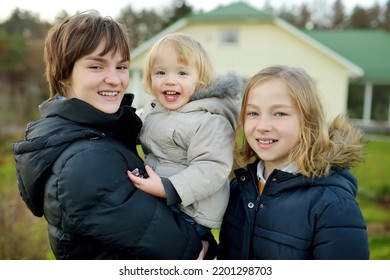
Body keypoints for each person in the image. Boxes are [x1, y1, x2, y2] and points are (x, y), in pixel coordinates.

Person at [11, 11, 203, 260]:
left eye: (121, 66)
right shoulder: (84, 160)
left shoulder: (99, 133)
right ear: (63, 74)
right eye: (96, 66)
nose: (115, 80)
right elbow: (185, 251)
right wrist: (204, 243)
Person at [217, 65, 370, 260]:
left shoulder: (333, 205)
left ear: (308, 120)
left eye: (280, 114)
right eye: (253, 113)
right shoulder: (239, 188)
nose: (263, 126)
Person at [127, 33, 242, 259]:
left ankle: (198, 248)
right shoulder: (154, 109)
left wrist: (168, 188)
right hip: (164, 200)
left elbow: (211, 168)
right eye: (161, 73)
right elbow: (133, 127)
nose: (170, 80)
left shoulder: (210, 120)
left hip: (190, 210)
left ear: (200, 80)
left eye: (182, 73)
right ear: (150, 79)